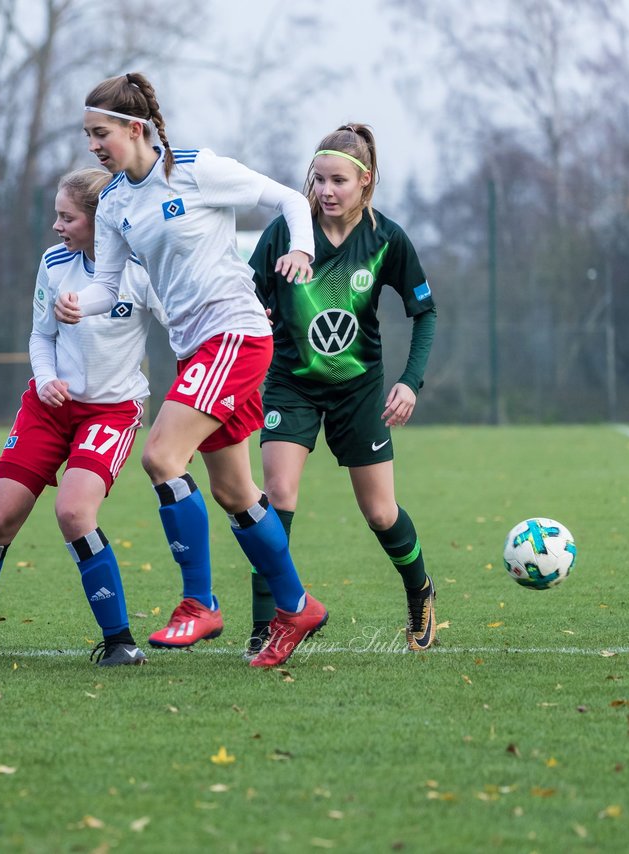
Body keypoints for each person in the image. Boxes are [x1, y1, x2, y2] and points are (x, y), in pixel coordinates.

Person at [55, 72, 327, 668]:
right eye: (87, 136)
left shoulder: (195, 168)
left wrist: (302, 247)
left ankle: (199, 603)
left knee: (160, 457)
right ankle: (296, 603)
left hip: (234, 333)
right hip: (196, 349)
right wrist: (80, 304)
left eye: (101, 133)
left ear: (136, 128)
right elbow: (106, 285)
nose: (94, 146)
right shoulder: (115, 203)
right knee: (234, 490)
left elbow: (286, 198)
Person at [0, 167, 166, 667]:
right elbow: (40, 335)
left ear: (100, 220)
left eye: (66, 217)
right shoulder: (54, 262)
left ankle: (120, 643)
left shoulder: (142, 268)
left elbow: (182, 322)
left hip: (111, 412)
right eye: (56, 215)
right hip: (49, 408)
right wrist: (45, 378)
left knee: (73, 513)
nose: (56, 226)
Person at [249, 124, 437, 653]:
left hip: (359, 389)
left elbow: (425, 312)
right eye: (318, 179)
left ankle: (420, 589)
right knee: (276, 497)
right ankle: (267, 624)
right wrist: (257, 311)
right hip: (291, 385)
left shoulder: (387, 239)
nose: (326, 190)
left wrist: (410, 382)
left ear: (365, 181)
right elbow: (244, 294)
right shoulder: (285, 232)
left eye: (338, 181)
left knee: (380, 512)